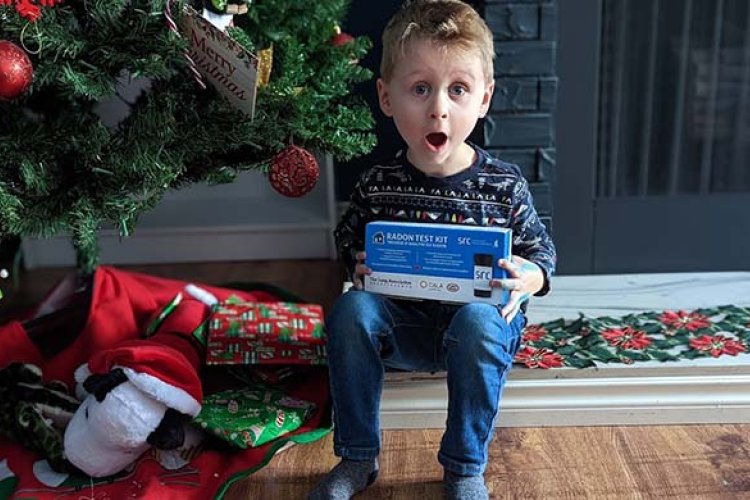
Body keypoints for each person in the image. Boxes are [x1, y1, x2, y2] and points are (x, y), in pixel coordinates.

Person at [309, 1, 556, 499]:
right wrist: (356, 264)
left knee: (480, 321)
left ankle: (465, 467)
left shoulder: (504, 186)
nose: (438, 108)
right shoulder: (377, 184)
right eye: (420, 89)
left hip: (477, 331)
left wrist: (530, 276)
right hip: (404, 327)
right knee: (352, 309)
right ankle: (357, 458)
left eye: (457, 90)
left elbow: (542, 253)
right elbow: (349, 242)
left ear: (484, 99)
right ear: (386, 97)